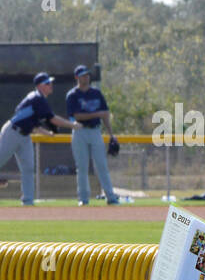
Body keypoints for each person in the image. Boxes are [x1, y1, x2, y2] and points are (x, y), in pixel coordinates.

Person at [0, 73, 82, 205]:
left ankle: (28, 201)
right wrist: (73, 125)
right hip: (12, 132)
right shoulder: (37, 98)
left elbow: (30, 121)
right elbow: (53, 119)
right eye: (47, 83)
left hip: (24, 135)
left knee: (28, 168)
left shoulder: (35, 99)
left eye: (50, 82)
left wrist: (46, 133)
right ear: (40, 86)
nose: (51, 85)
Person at [66, 65, 123, 205]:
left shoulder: (96, 93)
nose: (86, 77)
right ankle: (83, 199)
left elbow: (105, 115)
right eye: (83, 75)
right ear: (77, 77)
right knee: (82, 167)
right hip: (80, 132)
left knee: (102, 165)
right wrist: (97, 114)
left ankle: (111, 197)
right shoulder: (73, 95)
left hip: (95, 131)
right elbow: (76, 115)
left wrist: (111, 134)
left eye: (87, 75)